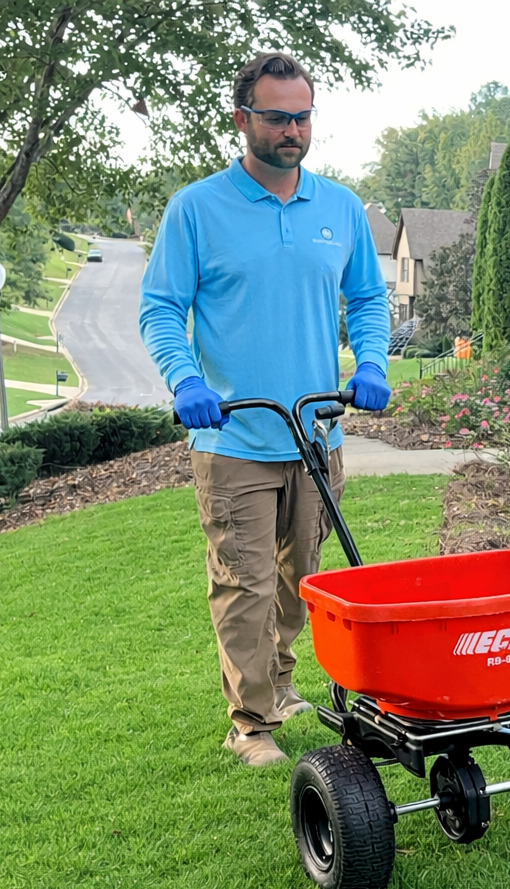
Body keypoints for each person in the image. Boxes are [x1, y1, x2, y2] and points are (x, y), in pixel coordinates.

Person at [139, 52, 391, 767]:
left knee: (299, 582)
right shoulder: (197, 208)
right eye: (278, 117)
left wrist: (368, 360)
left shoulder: (339, 207)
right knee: (244, 584)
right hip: (234, 438)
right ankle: (250, 723)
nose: (293, 130)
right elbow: (162, 307)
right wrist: (185, 380)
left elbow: (369, 299)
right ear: (242, 118)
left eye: (303, 116)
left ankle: (279, 685)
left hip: (315, 433)